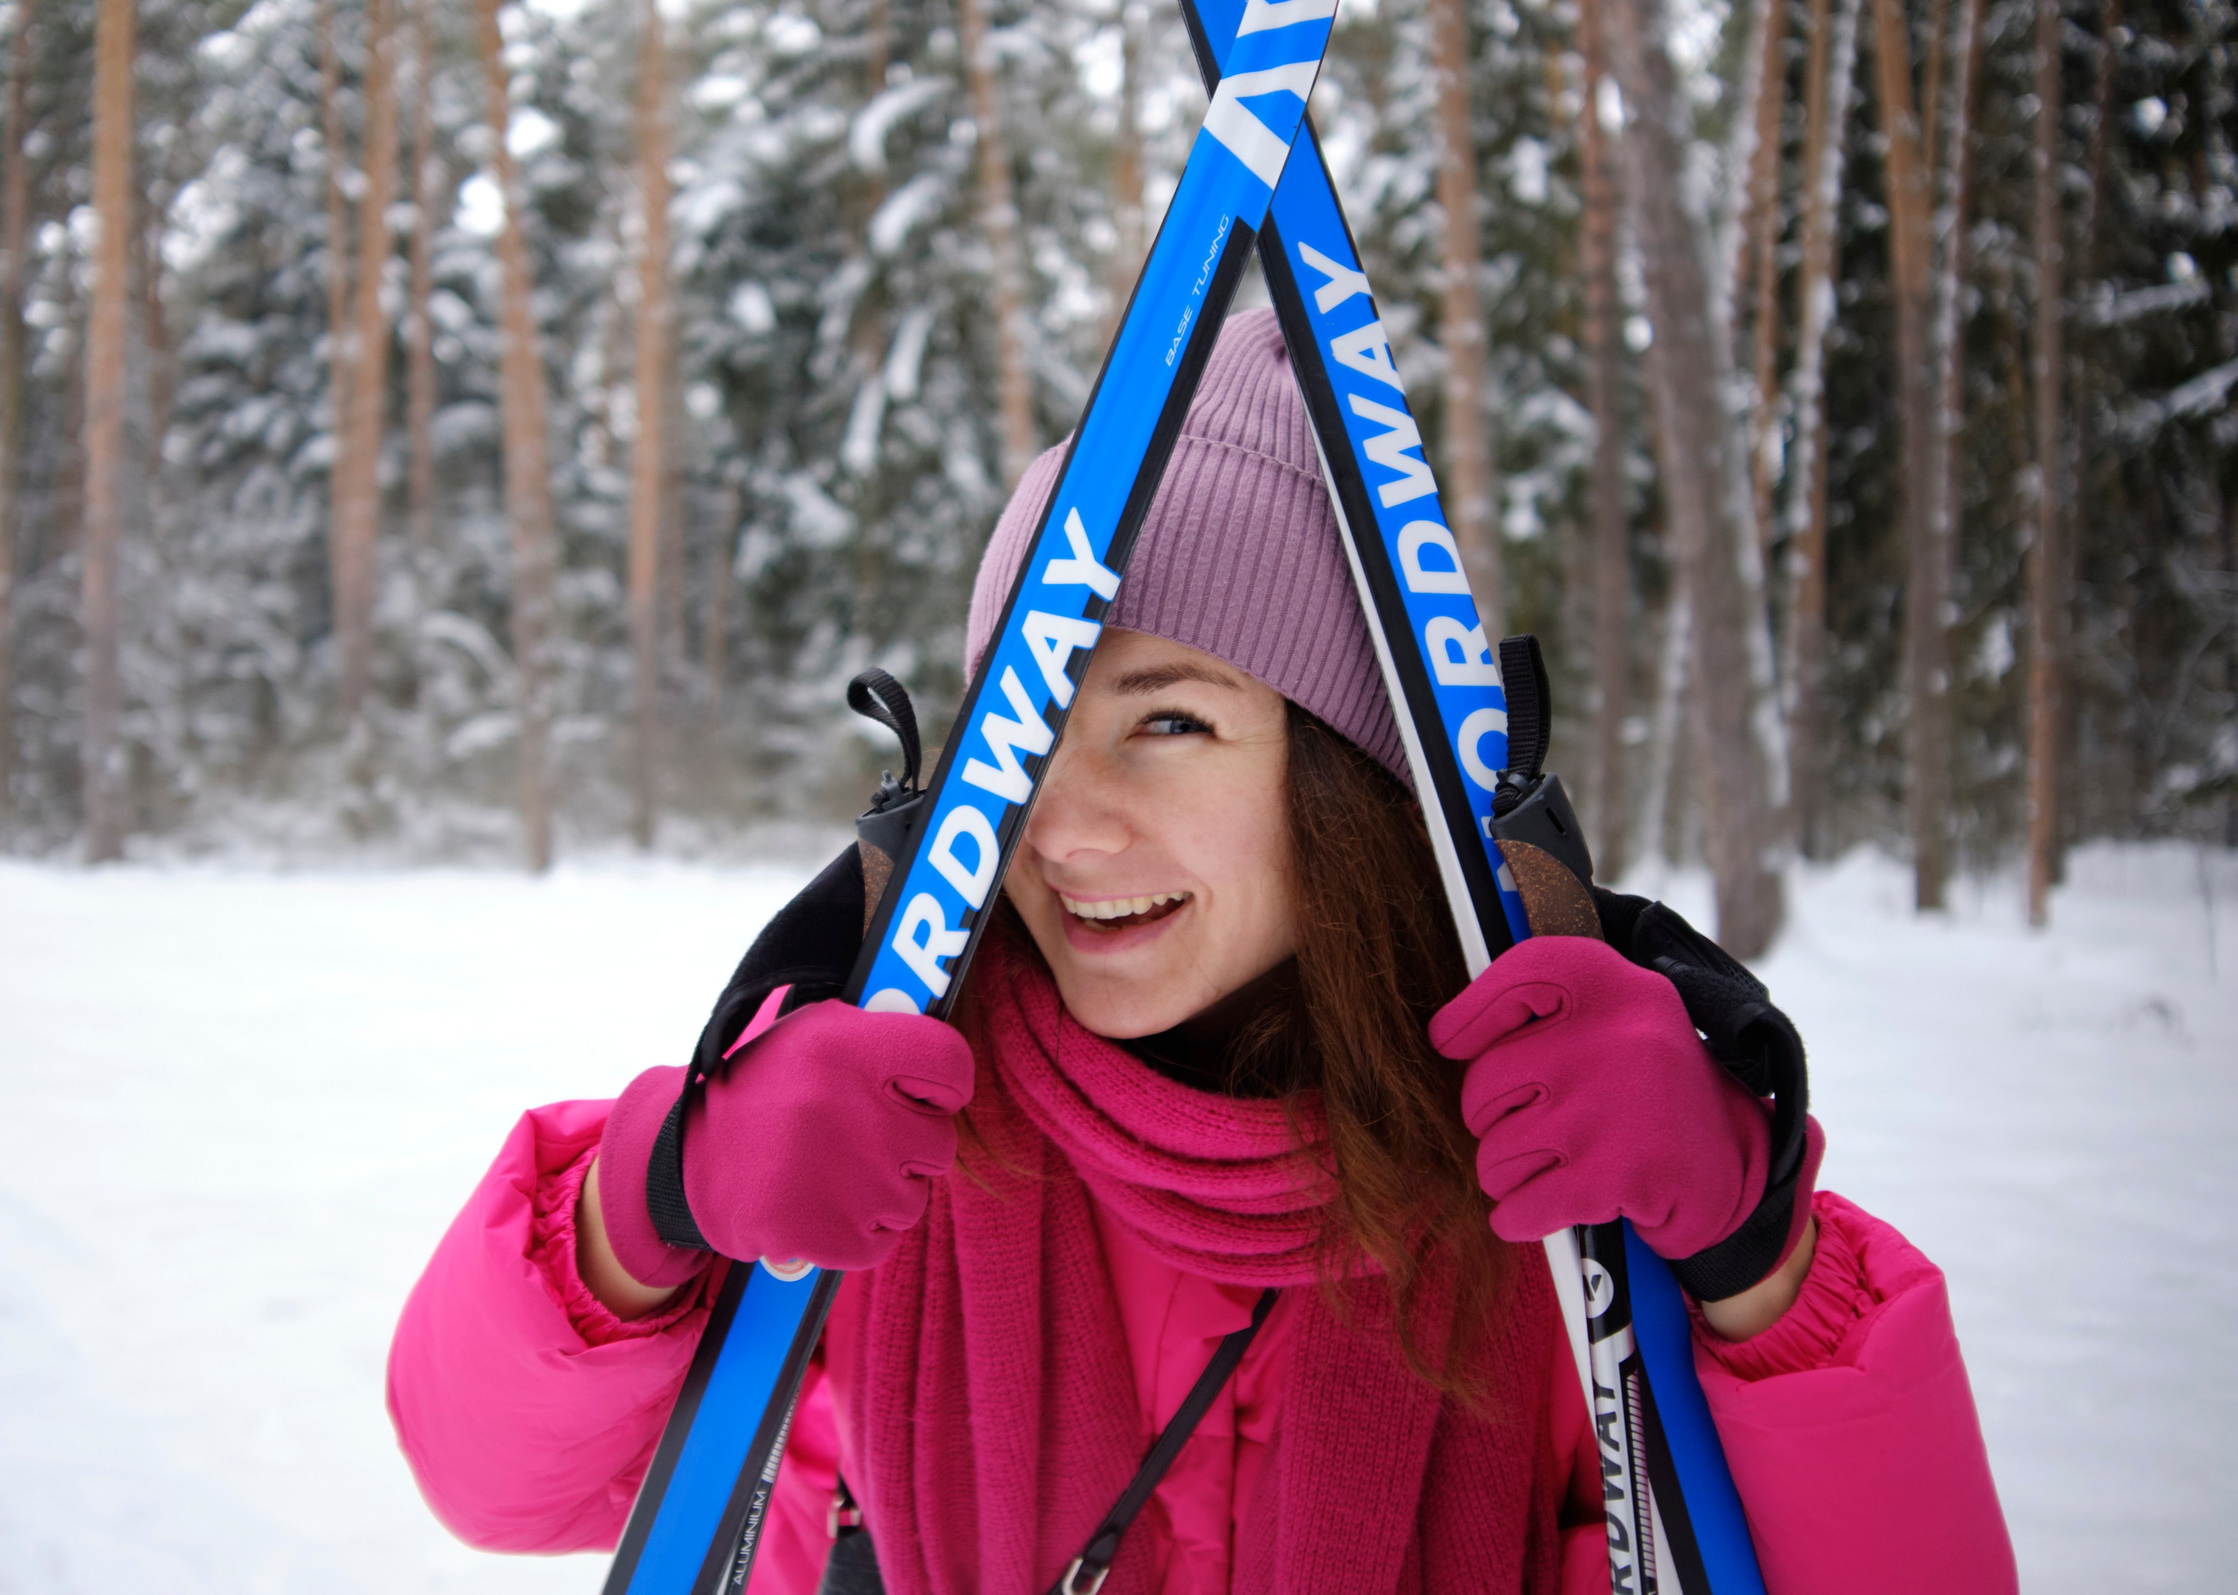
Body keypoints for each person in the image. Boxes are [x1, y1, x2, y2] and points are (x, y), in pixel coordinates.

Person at [387, 312, 2015, 1593]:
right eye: (1031, 725)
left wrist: (1749, 1250)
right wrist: (651, 1199)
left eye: (1169, 719)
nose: (1063, 824)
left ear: (1350, 787)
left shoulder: (1568, 1188)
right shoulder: (880, 1152)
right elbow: (492, 1479)